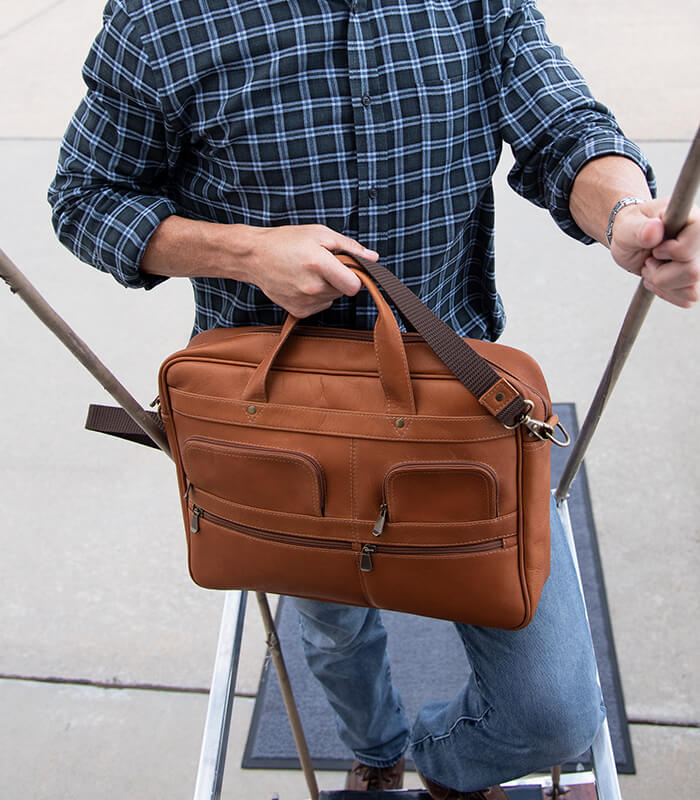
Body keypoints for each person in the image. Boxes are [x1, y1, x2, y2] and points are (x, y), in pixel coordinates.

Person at [48, 1, 699, 796]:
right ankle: (377, 756)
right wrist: (246, 252)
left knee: (553, 714)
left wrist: (627, 217)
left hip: (458, 408)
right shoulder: (162, 16)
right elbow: (85, 197)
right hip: (277, 420)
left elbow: (564, 128)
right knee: (332, 627)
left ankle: (443, 763)